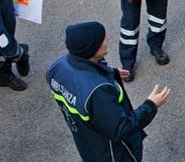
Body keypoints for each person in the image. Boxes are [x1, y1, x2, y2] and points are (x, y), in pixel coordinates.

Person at [47, 21, 171, 162]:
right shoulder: (98, 91)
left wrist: (108, 73)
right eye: (102, 39)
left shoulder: (57, 67)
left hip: (88, 146)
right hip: (113, 154)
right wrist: (151, 105)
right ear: (91, 49)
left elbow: (79, 82)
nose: (107, 39)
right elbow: (120, 129)